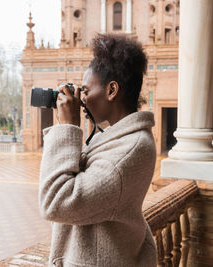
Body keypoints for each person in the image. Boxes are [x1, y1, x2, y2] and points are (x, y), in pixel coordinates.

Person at [39, 33, 157, 267]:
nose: (81, 100)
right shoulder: (118, 138)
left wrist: (69, 128)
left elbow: (55, 202)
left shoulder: (130, 150)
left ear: (112, 90)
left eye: (85, 91)